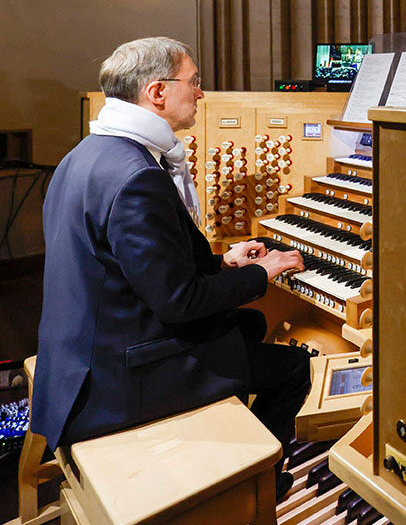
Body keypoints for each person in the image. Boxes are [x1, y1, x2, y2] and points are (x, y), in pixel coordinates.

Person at [32, 37, 309, 498]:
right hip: (113, 383)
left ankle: (230, 458)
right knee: (292, 365)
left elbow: (137, 270)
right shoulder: (138, 176)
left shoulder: (85, 155)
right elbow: (180, 302)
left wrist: (225, 262)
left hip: (82, 356)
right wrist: (262, 273)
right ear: (157, 93)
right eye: (194, 82)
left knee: (250, 325)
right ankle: (252, 490)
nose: (201, 93)